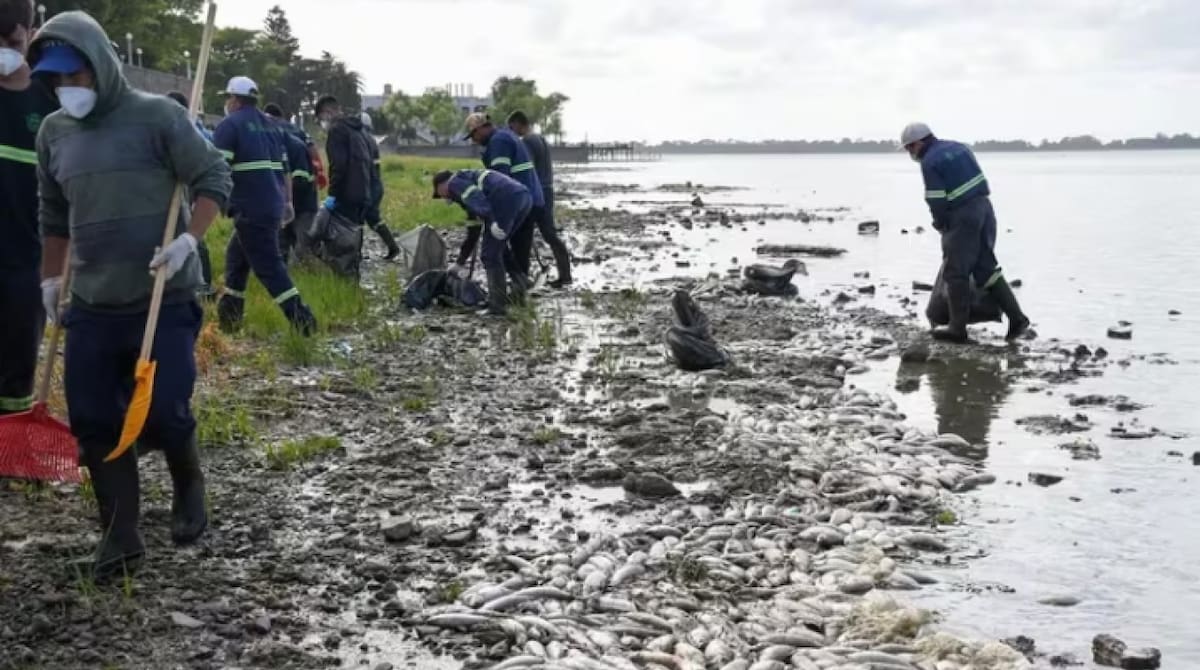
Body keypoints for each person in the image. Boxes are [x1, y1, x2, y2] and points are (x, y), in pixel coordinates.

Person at [30, 12, 232, 579]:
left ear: (101, 65)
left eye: (75, 75)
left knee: (164, 410)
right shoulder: (53, 133)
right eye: (56, 79)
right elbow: (53, 215)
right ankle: (120, 535)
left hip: (162, 296)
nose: (66, 87)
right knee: (94, 420)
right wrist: (51, 279)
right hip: (92, 302)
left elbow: (214, 177)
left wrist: (188, 241)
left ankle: (188, 482)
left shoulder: (159, 117)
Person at [901, 122, 1030, 343]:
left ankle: (957, 328)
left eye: (909, 148)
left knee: (955, 272)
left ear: (919, 143)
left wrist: (941, 223)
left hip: (963, 216)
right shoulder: (960, 148)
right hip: (985, 208)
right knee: (986, 267)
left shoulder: (930, 161)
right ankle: (1018, 319)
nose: (910, 153)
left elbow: (936, 199)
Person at [213, 76, 317, 335]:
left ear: (235, 99)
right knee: (236, 260)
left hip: (250, 208)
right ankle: (230, 319)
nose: (227, 103)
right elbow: (285, 168)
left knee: (269, 268)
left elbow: (217, 169)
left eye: (228, 97)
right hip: (271, 205)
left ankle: (303, 321)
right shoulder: (272, 126)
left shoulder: (229, 125)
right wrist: (287, 202)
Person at [0, 0, 57, 417]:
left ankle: (11, 438)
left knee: (17, 368)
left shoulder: (50, 106)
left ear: (31, 35)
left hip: (27, 265)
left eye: (12, 42)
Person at [433, 168, 531, 316]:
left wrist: (492, 220)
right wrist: (459, 262)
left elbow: (477, 198)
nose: (444, 199)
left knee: (489, 255)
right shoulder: (467, 185)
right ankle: (521, 287)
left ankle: (497, 306)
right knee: (500, 248)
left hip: (505, 199)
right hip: (523, 197)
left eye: (440, 194)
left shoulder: (454, 183)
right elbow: (473, 232)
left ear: (441, 185)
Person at [462, 112, 544, 281]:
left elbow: (500, 180)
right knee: (520, 247)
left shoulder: (498, 142)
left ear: (481, 128)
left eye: (474, 135)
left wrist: (489, 209)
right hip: (530, 197)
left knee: (495, 245)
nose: (474, 140)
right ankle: (521, 284)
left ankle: (518, 283)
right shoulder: (505, 136)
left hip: (520, 200)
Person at [507, 110, 572, 288]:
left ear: (518, 124)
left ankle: (522, 277)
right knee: (549, 233)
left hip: (537, 192)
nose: (511, 132)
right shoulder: (540, 139)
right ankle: (565, 275)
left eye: (511, 128)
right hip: (547, 189)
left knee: (525, 235)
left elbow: (526, 169)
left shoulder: (527, 141)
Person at [166, 90, 216, 300]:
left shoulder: (192, 130)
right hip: (181, 187)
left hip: (191, 188)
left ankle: (202, 285)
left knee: (192, 234)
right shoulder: (181, 127)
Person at [264, 102, 319, 263]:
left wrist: (281, 194)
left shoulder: (295, 146)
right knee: (281, 245)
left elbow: (301, 179)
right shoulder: (274, 142)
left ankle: (310, 270)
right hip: (283, 203)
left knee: (304, 247)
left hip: (302, 205)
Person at [314, 95, 371, 229]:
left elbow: (339, 166)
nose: (322, 124)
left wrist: (332, 195)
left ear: (327, 113)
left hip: (345, 196)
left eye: (321, 119)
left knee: (340, 235)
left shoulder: (337, 130)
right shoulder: (356, 129)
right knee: (355, 233)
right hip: (362, 193)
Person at [358, 111, 401, 260]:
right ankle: (393, 247)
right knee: (373, 219)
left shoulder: (361, 138)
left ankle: (356, 252)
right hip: (375, 185)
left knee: (358, 218)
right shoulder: (370, 139)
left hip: (368, 186)